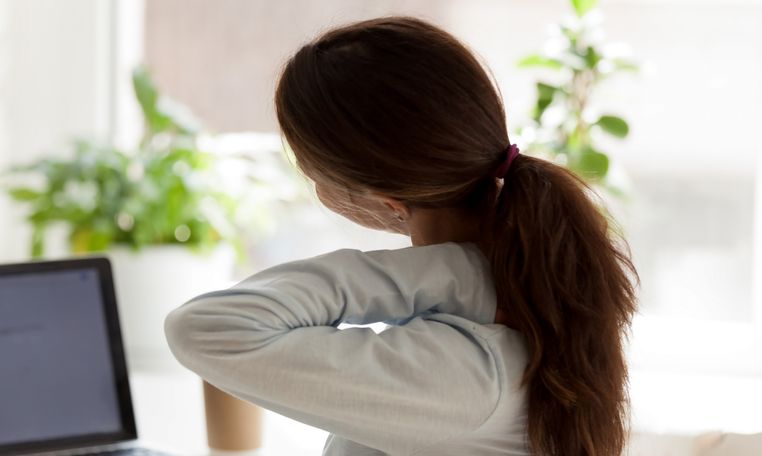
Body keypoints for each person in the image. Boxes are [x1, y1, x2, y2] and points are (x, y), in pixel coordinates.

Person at [165, 16, 638, 456]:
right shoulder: (503, 314)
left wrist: (458, 269)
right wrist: (468, 273)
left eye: (309, 169)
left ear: (387, 199)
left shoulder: (466, 370)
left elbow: (203, 327)